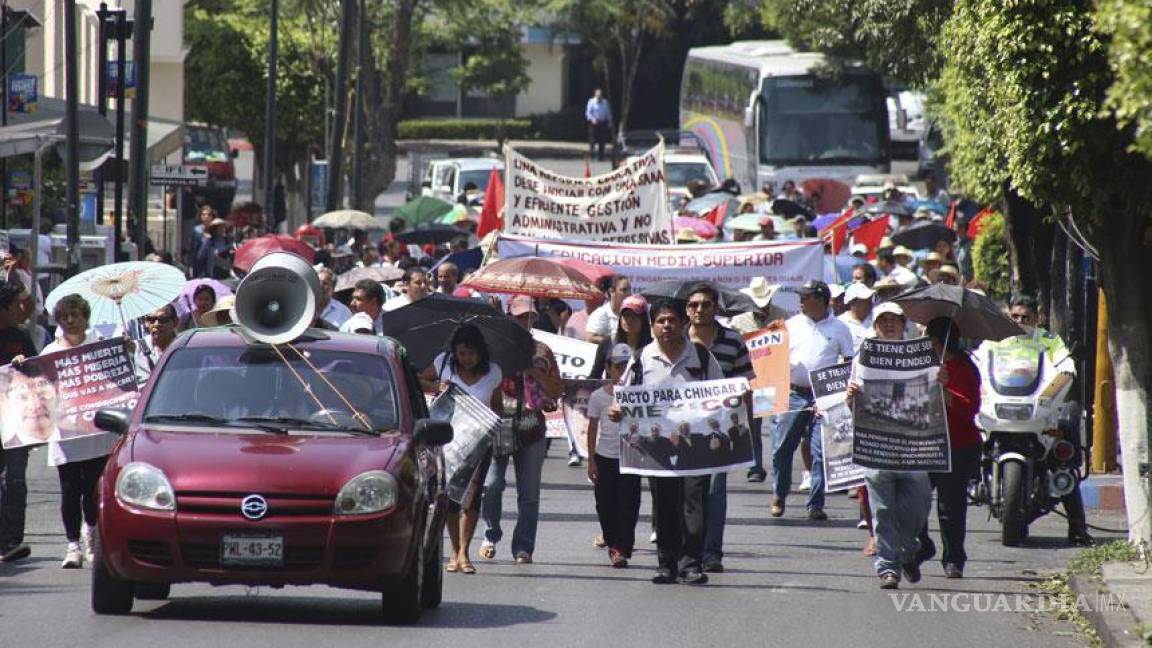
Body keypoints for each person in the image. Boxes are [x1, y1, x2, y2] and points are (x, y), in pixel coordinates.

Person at [609, 299, 723, 586]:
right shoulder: (642, 358)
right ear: (652, 326)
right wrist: (616, 407)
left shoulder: (700, 355)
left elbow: (721, 392)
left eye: (672, 320)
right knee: (664, 502)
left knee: (694, 501)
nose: (667, 326)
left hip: (695, 444)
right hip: (657, 444)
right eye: (661, 321)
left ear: (683, 323)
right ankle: (666, 564)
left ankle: (691, 564)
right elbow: (624, 391)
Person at [979, 295, 1094, 545]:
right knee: (968, 444)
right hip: (1001, 405)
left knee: (1064, 457)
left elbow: (1066, 368)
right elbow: (980, 365)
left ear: (1037, 318)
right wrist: (983, 392)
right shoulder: (994, 338)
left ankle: (1078, 527)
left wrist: (1047, 397)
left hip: (1037, 410)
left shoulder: (1049, 340)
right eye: (1015, 316)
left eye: (1025, 317)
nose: (1020, 321)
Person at [846, 302, 934, 589]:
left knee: (917, 508)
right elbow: (853, 405)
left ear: (903, 324)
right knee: (882, 510)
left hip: (912, 448)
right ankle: (887, 567)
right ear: (874, 327)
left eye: (893, 320)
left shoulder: (921, 355)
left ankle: (908, 551)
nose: (888, 325)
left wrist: (939, 381)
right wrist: (851, 396)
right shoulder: (864, 356)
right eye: (882, 320)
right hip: (877, 445)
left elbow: (934, 402)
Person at [480, 295, 563, 565]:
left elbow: (557, 390)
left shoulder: (542, 350)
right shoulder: (493, 349)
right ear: (508, 316)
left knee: (529, 493)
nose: (524, 321)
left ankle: (523, 547)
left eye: (528, 316)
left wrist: (533, 371)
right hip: (501, 423)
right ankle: (490, 533)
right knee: (492, 485)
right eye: (518, 316)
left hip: (531, 426)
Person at [38, 295, 116, 568]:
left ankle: (91, 533)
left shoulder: (101, 347)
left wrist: (124, 351)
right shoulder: (49, 354)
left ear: (85, 317)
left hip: (97, 433)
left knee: (93, 489)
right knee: (69, 489)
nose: (70, 321)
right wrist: (22, 365)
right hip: (65, 434)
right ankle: (72, 545)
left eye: (75, 315)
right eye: (64, 316)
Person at [420, 324, 504, 575]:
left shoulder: (494, 373)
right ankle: (455, 550)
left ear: (481, 353)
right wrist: (437, 387)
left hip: (479, 445)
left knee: (473, 497)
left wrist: (490, 423)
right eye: (462, 353)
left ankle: (465, 552)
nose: (466, 359)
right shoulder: (442, 363)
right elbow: (419, 380)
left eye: (471, 354)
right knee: (448, 496)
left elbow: (498, 407)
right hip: (447, 442)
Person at [772, 280, 855, 521]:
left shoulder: (840, 327)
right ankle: (779, 492)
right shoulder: (790, 325)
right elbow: (772, 354)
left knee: (821, 451)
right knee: (781, 448)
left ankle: (816, 504)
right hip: (794, 393)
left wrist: (841, 391)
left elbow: (848, 361)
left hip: (826, 395)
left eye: (806, 297)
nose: (800, 301)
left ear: (820, 300)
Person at [685, 283, 753, 573]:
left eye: (706, 304)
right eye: (694, 305)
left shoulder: (732, 340)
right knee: (685, 493)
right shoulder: (676, 338)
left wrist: (746, 433)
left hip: (721, 431)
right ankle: (687, 549)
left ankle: (712, 552)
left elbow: (746, 385)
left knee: (714, 491)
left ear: (716, 308)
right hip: (683, 430)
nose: (699, 310)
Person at [915, 317, 982, 579]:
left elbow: (970, 409)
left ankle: (954, 558)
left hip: (958, 446)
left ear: (937, 342)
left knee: (950, 507)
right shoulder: (919, 366)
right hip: (925, 445)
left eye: (927, 338)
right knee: (915, 503)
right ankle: (921, 545)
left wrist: (945, 391)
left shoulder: (963, 368)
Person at [586, 343, 642, 568]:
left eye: (626, 367)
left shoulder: (639, 395)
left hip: (631, 457)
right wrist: (590, 460)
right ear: (608, 367)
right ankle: (611, 541)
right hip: (605, 456)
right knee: (605, 504)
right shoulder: (598, 396)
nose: (621, 371)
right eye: (617, 366)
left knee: (629, 503)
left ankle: (622, 548)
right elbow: (591, 428)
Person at [0, 281, 39, 563]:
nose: (20, 310)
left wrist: (25, 365)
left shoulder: (21, 337)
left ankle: (12, 541)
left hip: (15, 422)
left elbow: (39, 373)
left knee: (14, 480)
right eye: (14, 307)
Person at [133, 304, 179, 384]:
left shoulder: (187, 345)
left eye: (163, 320)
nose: (156, 324)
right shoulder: (136, 348)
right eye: (151, 319)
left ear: (175, 322)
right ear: (146, 323)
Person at [585, 275, 631, 344]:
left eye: (629, 290)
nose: (629, 294)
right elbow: (590, 338)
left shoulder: (631, 313)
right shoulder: (601, 314)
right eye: (624, 290)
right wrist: (614, 341)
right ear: (611, 291)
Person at [838, 283, 876, 351]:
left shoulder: (877, 320)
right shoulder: (840, 323)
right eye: (864, 300)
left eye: (870, 298)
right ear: (852, 302)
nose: (869, 302)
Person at [585, 88, 614, 162]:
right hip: (594, 123)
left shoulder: (605, 102)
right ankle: (592, 156)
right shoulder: (591, 102)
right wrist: (592, 119)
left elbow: (608, 113)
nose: (599, 97)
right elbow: (588, 113)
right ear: (595, 95)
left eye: (600, 96)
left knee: (602, 140)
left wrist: (610, 121)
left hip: (602, 123)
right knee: (592, 141)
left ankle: (601, 157)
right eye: (598, 96)